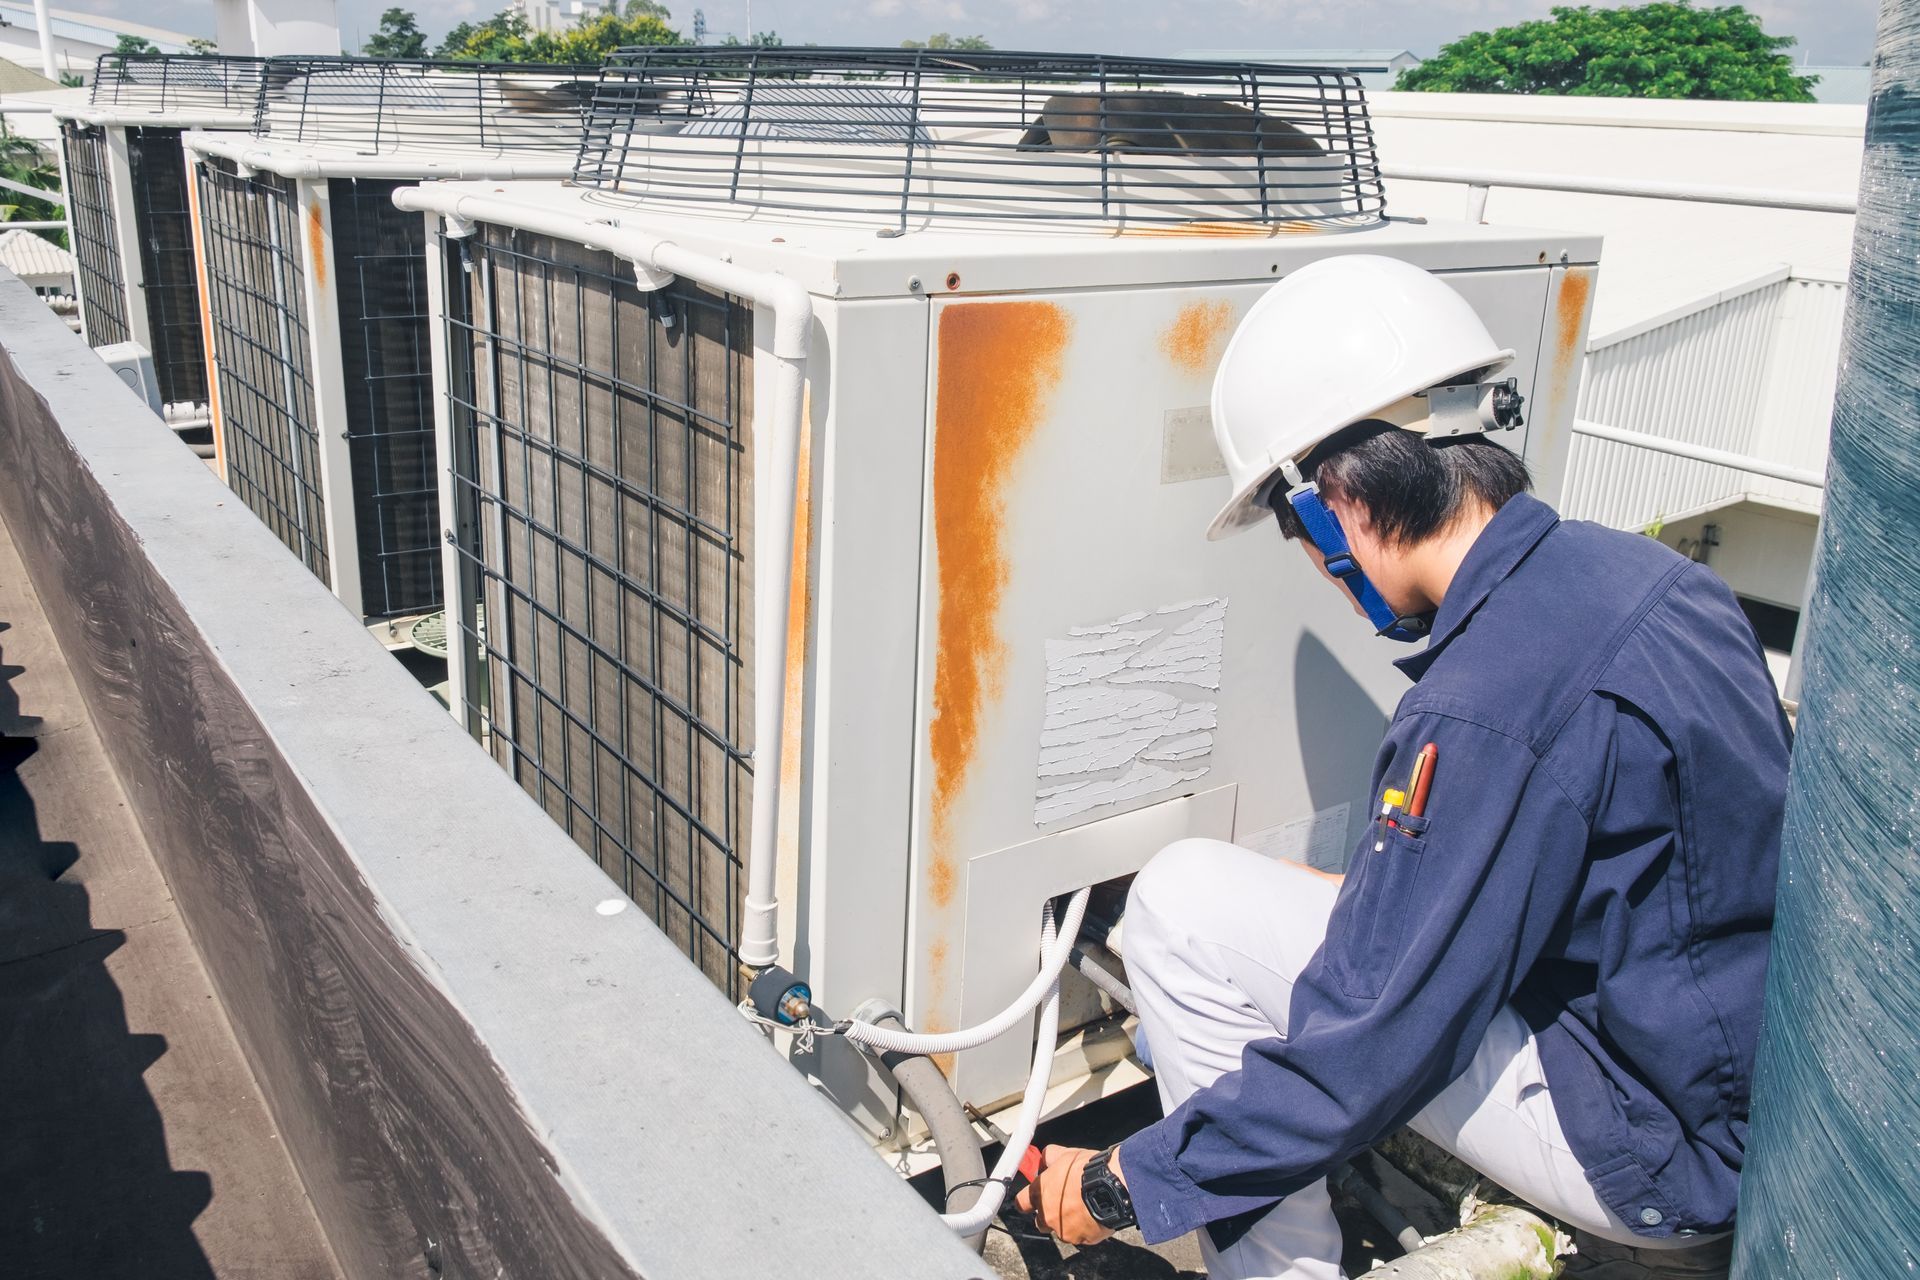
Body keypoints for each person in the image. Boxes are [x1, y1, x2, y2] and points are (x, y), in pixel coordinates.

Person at [1014, 255, 1789, 1280]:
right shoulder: (1655, 581)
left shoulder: (1480, 704)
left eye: (1293, 530)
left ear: (1339, 506)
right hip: (1731, 1083)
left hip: (1652, 1145)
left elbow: (1372, 1048)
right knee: (1213, 899)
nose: (1308, 561)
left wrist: (1126, 1179)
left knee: (1177, 908)